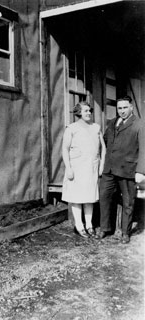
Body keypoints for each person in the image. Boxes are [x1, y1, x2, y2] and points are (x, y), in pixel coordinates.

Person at [97, 95, 145, 244]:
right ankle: (105, 228)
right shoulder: (112, 123)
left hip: (127, 170)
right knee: (104, 197)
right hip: (109, 169)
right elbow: (104, 142)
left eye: (125, 107)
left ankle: (125, 232)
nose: (122, 111)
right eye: (119, 108)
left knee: (128, 202)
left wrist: (140, 171)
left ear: (131, 107)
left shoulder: (139, 124)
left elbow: (144, 149)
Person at [62, 101, 106, 237]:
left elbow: (103, 148)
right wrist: (68, 168)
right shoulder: (71, 128)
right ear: (79, 112)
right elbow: (65, 149)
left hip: (91, 167)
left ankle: (89, 224)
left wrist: (101, 166)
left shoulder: (96, 127)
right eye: (85, 111)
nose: (89, 113)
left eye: (89, 111)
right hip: (76, 167)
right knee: (76, 197)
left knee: (89, 197)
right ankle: (79, 225)